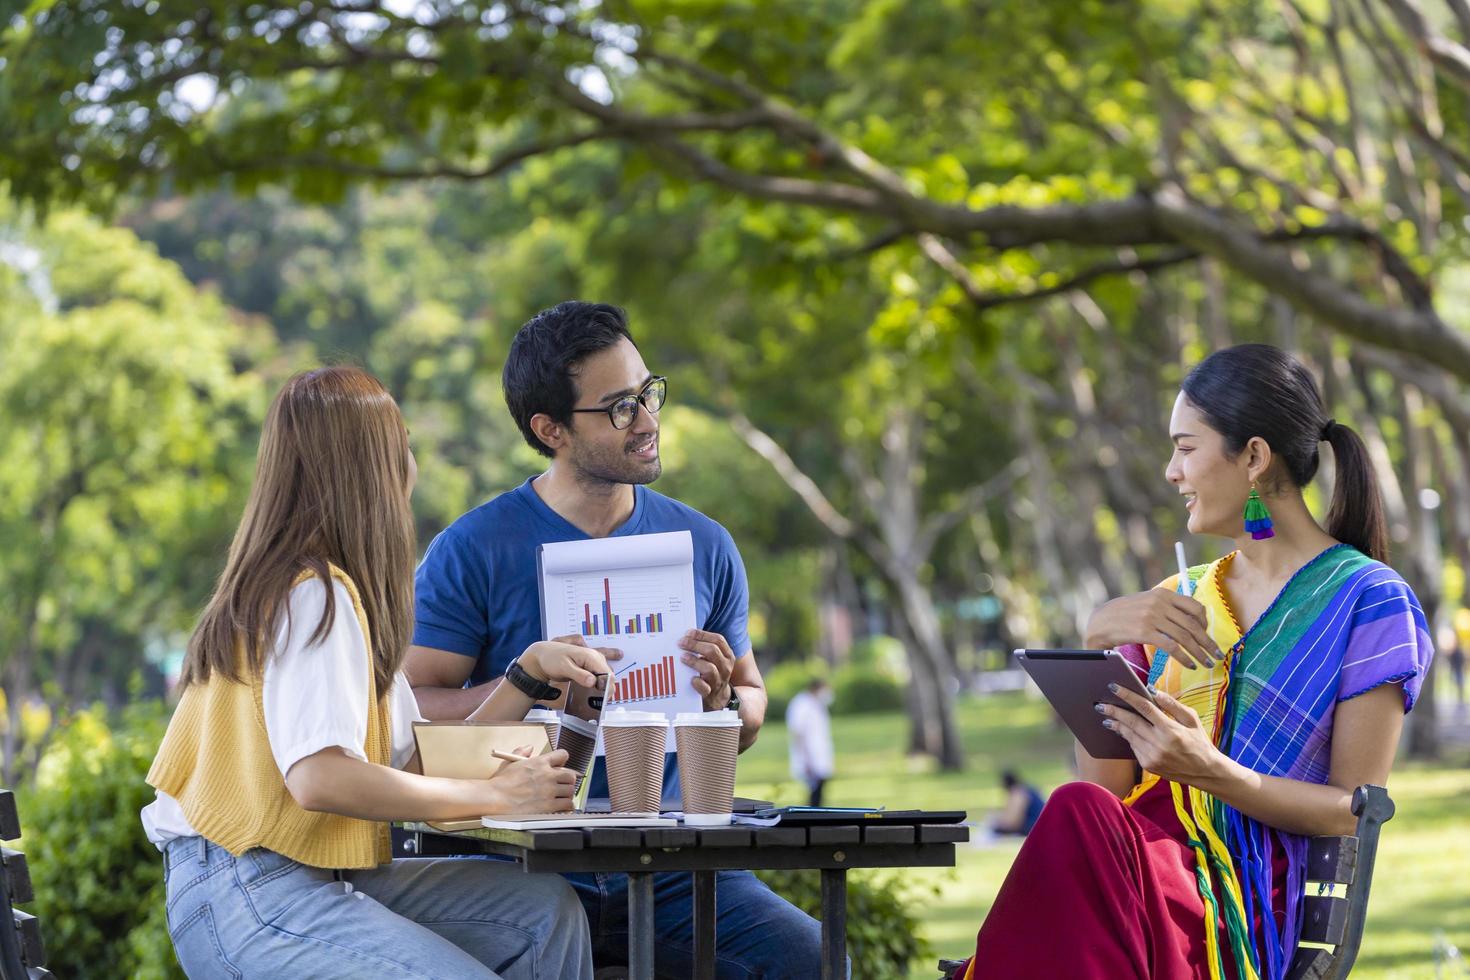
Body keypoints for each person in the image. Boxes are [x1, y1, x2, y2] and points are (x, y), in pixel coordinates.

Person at [951, 344, 1434, 980]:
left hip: (1249, 902)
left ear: (1255, 458)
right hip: (1144, 873)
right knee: (1077, 807)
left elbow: (1354, 809)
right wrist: (1096, 646)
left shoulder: (1369, 600)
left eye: (1185, 447)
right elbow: (1108, 792)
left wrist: (1209, 771)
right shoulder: (1177, 600)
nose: (1171, 472)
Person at [404, 302, 825, 978]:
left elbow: (748, 704)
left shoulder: (706, 545)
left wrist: (721, 701)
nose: (650, 422)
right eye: (621, 407)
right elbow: (414, 703)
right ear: (552, 430)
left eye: (648, 393)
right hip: (522, 862)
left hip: (674, 869)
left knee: (806, 955)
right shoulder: (473, 549)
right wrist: (525, 684)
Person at [142, 367, 602, 979]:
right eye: (403, 445)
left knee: (544, 914)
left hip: (295, 875)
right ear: (371, 470)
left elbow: (416, 765)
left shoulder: (337, 596)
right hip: (248, 894)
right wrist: (494, 794)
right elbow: (319, 777)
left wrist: (525, 675)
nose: (412, 466)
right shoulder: (314, 595)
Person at [786, 678, 836, 806]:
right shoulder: (802, 704)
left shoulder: (817, 704)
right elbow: (798, 732)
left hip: (819, 755)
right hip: (809, 757)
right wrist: (807, 759)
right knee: (813, 794)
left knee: (819, 792)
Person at [989, 770, 1045, 837]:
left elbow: (1015, 821)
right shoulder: (1027, 788)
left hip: (1035, 827)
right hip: (1040, 824)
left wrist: (999, 824)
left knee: (995, 829)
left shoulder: (1018, 793)